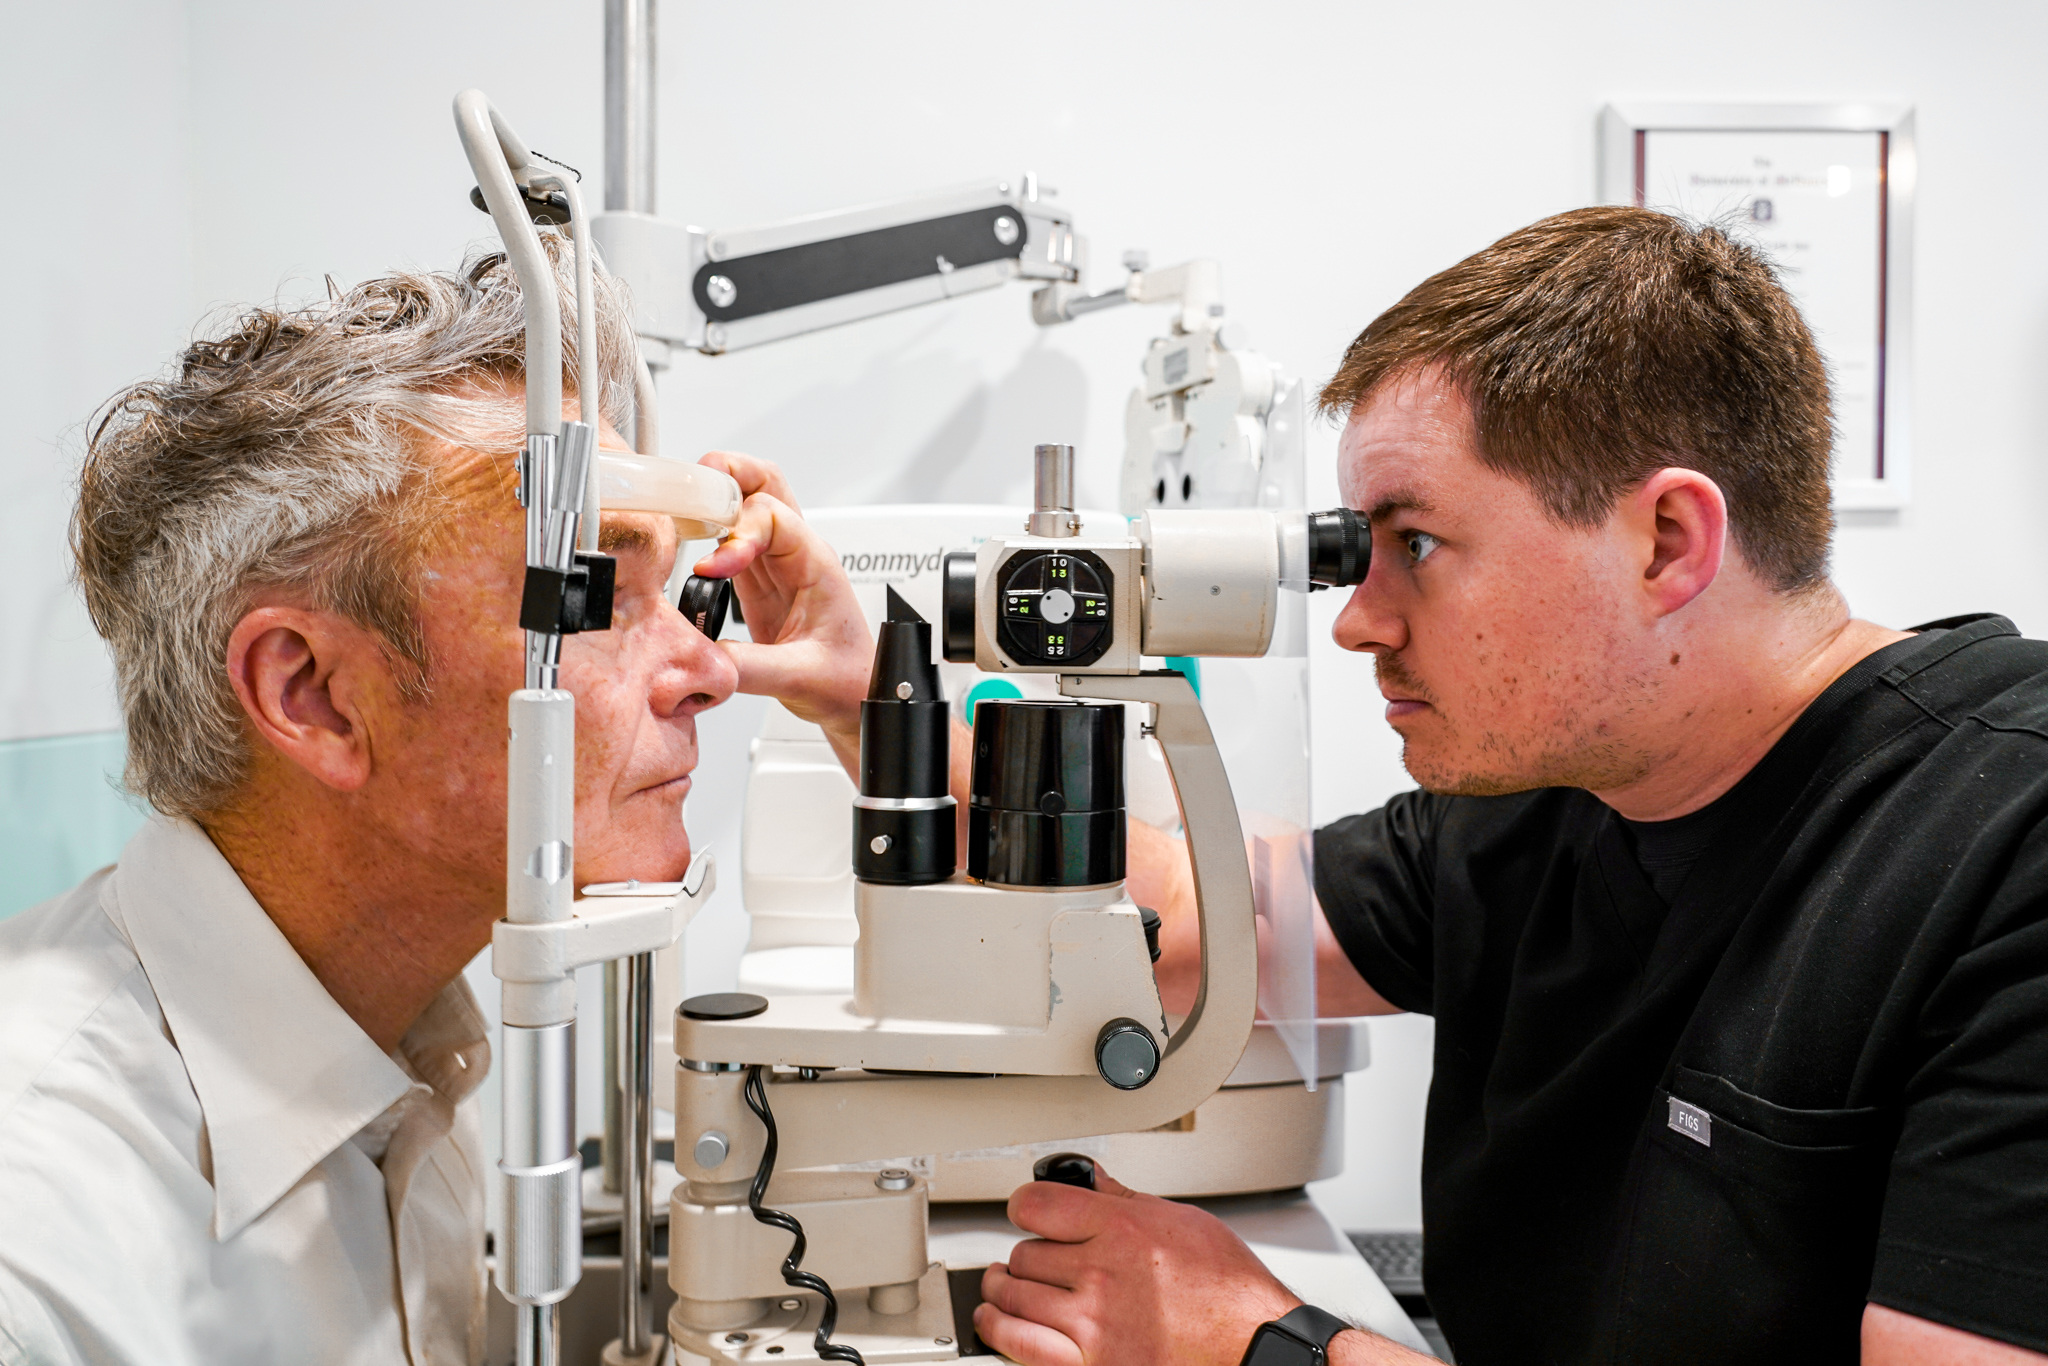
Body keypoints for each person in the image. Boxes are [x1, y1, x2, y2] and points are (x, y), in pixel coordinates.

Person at [971, 208, 2048, 1365]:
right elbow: (1180, 913)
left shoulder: (2003, 843)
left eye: (1415, 545)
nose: (1354, 620)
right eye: (1355, 552)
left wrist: (1260, 1343)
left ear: (1666, 540)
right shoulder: (1545, 799)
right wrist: (848, 693)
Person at [0, 247, 869, 1365]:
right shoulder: (45, 1256)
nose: (709, 670)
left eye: (677, 590)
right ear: (313, 695)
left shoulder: (399, 1062)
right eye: (594, 590)